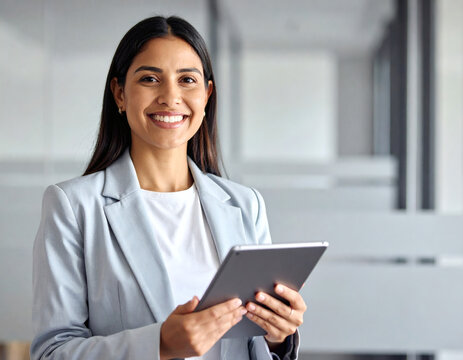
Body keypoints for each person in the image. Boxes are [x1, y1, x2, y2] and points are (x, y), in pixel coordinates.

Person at [31, 16, 307, 360]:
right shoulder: (72, 207)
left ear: (206, 96)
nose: (170, 97)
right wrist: (159, 345)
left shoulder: (245, 204)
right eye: (150, 79)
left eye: (187, 80)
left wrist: (278, 337)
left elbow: (252, 345)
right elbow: (52, 352)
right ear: (119, 93)